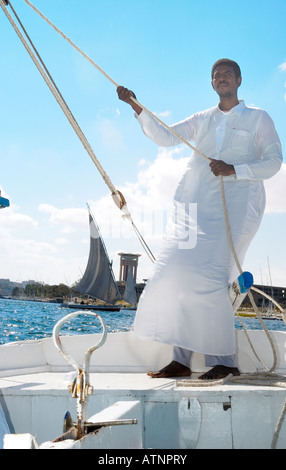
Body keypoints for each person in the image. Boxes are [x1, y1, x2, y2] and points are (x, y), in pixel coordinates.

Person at [117, 59, 282, 380]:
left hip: (238, 204)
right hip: (195, 204)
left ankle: (226, 361)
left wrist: (236, 169)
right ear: (212, 83)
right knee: (176, 274)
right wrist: (136, 107)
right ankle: (182, 360)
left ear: (238, 80)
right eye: (216, 75)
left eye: (227, 74)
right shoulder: (203, 118)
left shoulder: (258, 118)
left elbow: (274, 161)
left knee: (213, 276)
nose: (221, 78)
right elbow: (167, 137)